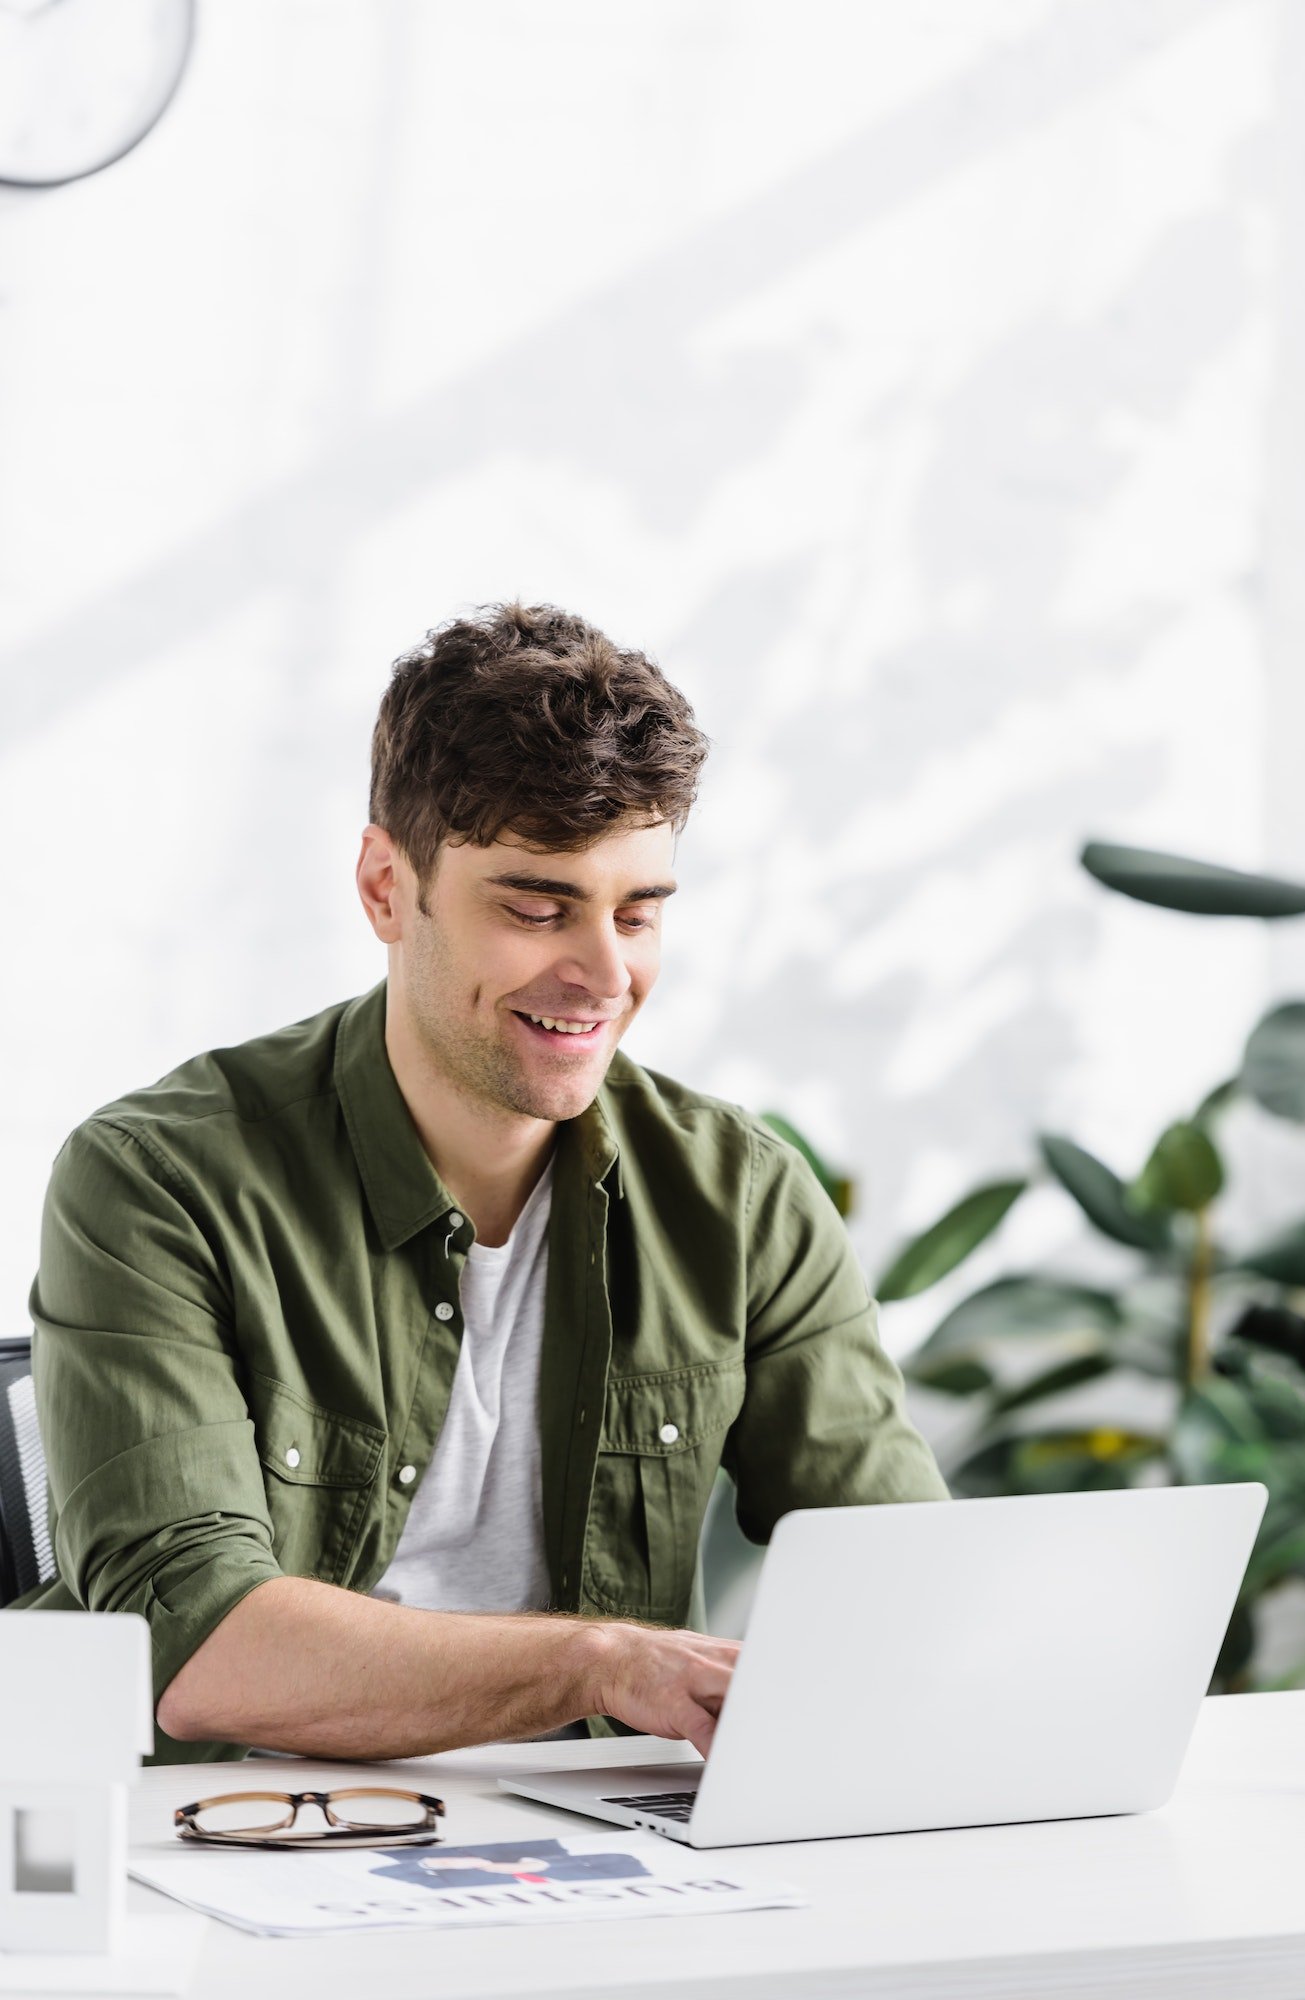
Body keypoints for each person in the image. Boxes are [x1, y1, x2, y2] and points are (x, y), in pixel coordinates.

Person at [23, 602, 948, 1767]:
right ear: (383, 887)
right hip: (227, 1842)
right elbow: (195, 1643)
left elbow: (906, 1586)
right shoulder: (159, 1180)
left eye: (640, 910)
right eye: (535, 906)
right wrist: (601, 1662)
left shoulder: (740, 1194)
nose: (605, 974)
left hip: (599, 1858)